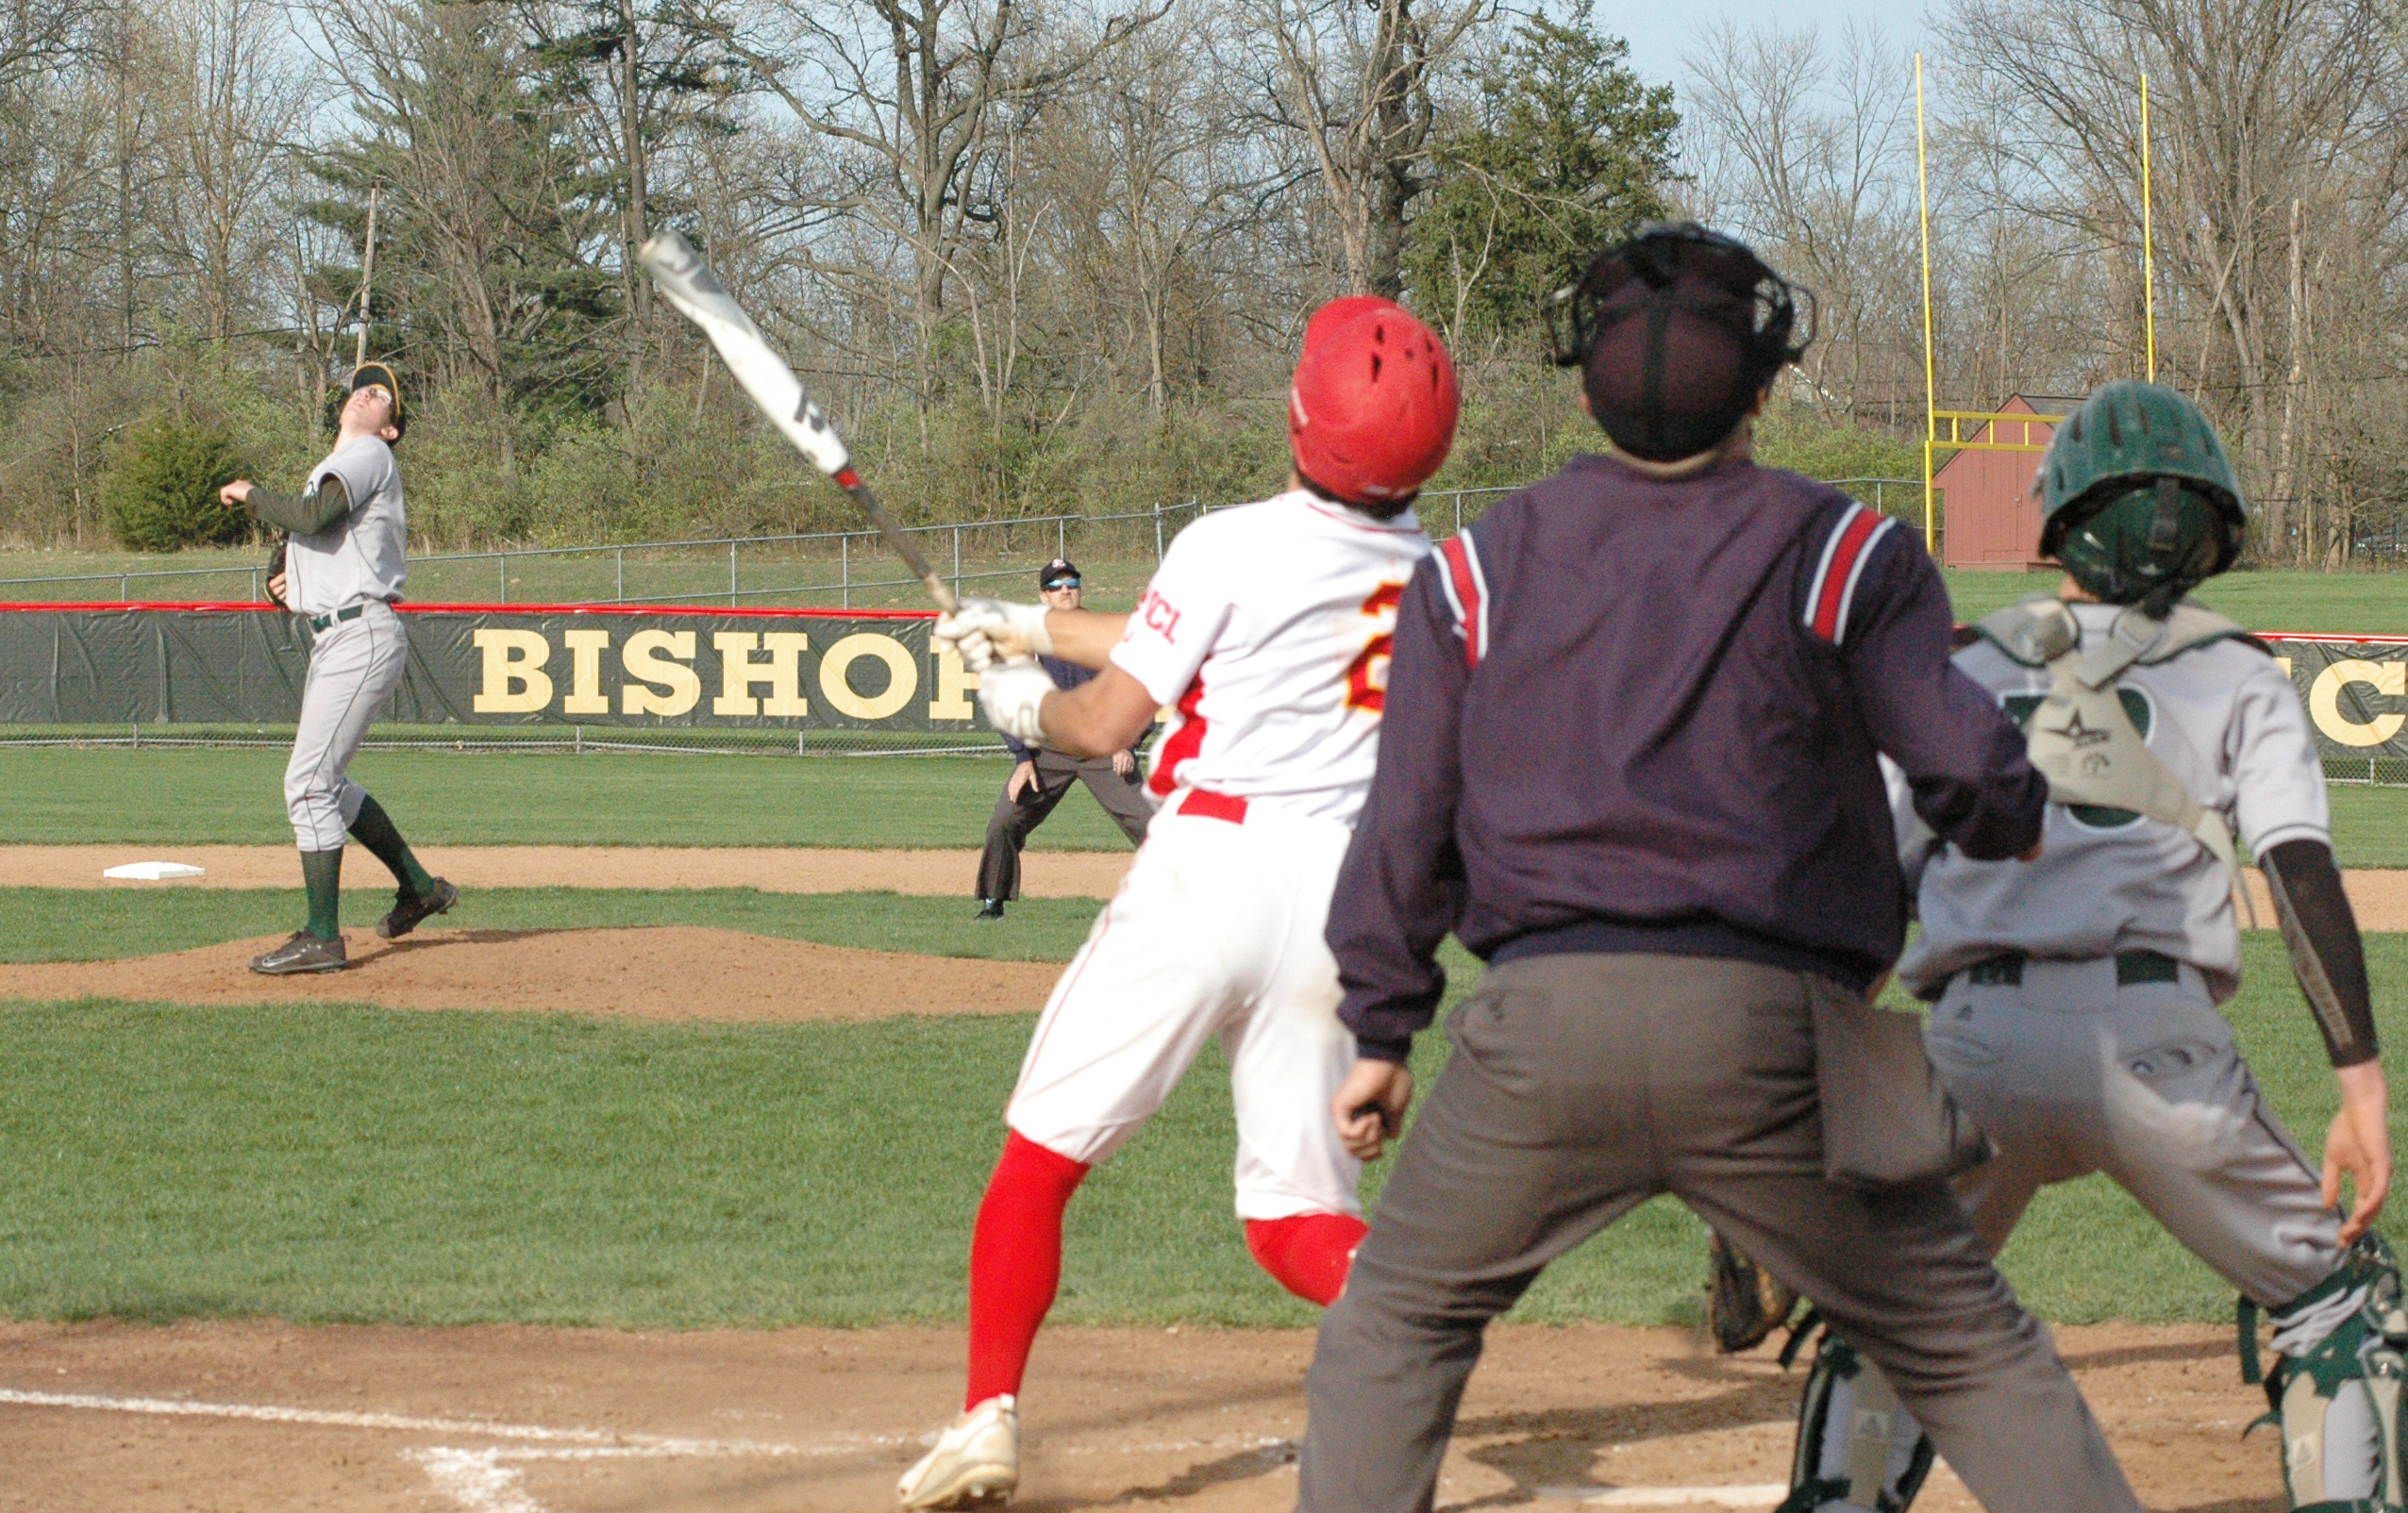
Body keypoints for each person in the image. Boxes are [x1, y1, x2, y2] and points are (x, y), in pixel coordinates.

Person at [1296, 223, 2143, 1513]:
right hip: (1774, 1045)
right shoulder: (1842, 549)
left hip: (1537, 1039)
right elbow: (1965, 768)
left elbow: (1405, 826)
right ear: (1766, 386)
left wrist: (1380, 1029)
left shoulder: (1471, 570)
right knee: (1966, 1350)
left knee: (1392, 1332)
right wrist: (2013, 818)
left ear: (1581, 386)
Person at [1768, 380, 2398, 1513]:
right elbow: (2298, 874)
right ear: (2210, 530)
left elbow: (1858, 894)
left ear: (2057, 515)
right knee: (2340, 1302)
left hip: (1970, 1048)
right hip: (2157, 1047)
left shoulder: (1964, 666)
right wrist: (2357, 1081)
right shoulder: (2238, 673)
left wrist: (1798, 1085)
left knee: (1893, 1306)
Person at [895, 295, 1460, 1510]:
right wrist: (1026, 623)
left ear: (1302, 416)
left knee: (1039, 1160)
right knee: (1292, 1219)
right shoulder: (1441, 576)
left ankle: (986, 1414)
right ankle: (1420, 1314)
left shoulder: (1231, 537)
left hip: (1208, 871)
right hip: (1343, 900)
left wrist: (1013, 700)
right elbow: (1187, 628)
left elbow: (1104, 723)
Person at [218, 363, 456, 974]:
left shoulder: (369, 455)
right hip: (339, 636)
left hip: (360, 634)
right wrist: (285, 583)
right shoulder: (343, 467)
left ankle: (323, 937)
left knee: (307, 786)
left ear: (391, 429)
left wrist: (249, 494)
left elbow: (311, 516)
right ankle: (420, 887)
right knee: (330, 785)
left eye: (382, 395)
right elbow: (310, 546)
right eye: (362, 386)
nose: (367, 392)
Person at [972, 557, 1153, 920]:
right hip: (1048, 752)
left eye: (1072, 583)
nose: (1065, 590)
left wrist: (1127, 744)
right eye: (1055, 586)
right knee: (1004, 821)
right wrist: (1022, 758)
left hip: (1103, 745)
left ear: (1081, 590)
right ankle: (994, 901)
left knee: (1152, 825)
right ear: (1043, 597)